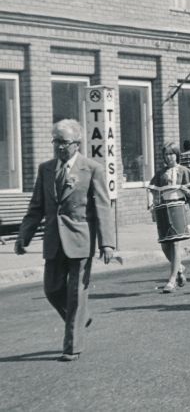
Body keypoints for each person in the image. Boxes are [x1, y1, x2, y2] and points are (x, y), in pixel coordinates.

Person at [15, 119, 116, 362]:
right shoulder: (46, 169)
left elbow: (102, 206)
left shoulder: (92, 168)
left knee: (76, 294)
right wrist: (23, 235)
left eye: (64, 142)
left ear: (77, 143)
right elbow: (36, 206)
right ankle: (81, 318)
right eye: (56, 141)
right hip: (53, 239)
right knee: (51, 289)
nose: (59, 147)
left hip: (81, 239)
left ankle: (72, 346)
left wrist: (107, 243)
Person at [149, 142, 190, 293]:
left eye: (172, 154)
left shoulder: (184, 171)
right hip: (164, 209)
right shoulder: (161, 173)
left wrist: (185, 190)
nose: (169, 157)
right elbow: (153, 190)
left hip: (178, 208)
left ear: (177, 154)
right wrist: (152, 204)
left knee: (176, 243)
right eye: (166, 154)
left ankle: (172, 280)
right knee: (165, 245)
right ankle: (180, 268)